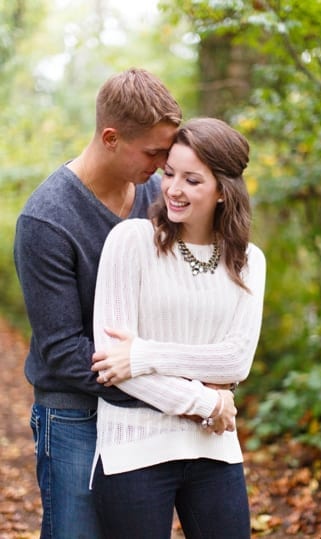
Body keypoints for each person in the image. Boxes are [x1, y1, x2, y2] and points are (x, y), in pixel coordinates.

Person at [13, 68, 182, 538]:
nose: (163, 164)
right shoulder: (46, 221)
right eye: (154, 152)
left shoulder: (157, 196)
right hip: (73, 413)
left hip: (146, 404)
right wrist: (166, 391)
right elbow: (64, 351)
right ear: (111, 137)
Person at [88, 117, 265, 538]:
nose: (173, 189)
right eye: (169, 173)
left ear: (223, 190)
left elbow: (235, 361)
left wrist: (144, 356)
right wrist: (208, 403)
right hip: (133, 447)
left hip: (214, 449)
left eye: (191, 179)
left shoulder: (248, 260)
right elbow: (114, 368)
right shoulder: (130, 242)